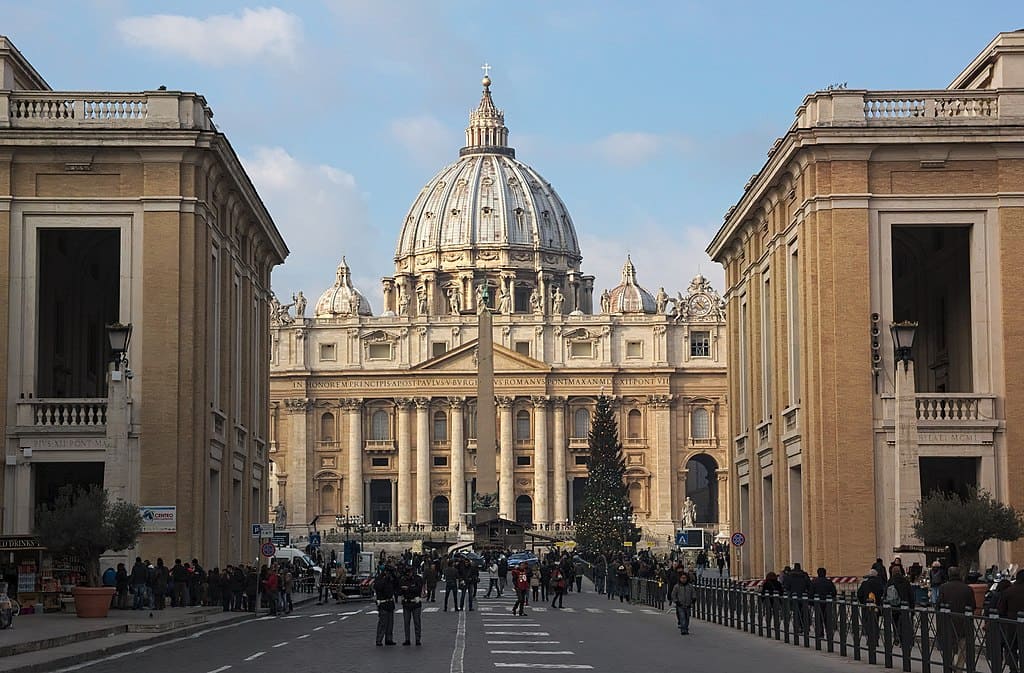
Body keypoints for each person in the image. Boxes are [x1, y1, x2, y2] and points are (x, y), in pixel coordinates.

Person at [936, 567, 975, 670]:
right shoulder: (967, 588)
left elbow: (939, 605)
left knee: (949, 646)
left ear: (949, 575)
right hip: (963, 622)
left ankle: (949, 666)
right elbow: (973, 606)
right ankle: (959, 668)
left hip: (948, 622)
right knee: (963, 648)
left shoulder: (943, 588)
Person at [885, 566, 914, 646]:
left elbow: (885, 594)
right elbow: (911, 594)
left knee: (895, 622)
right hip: (905, 605)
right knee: (905, 622)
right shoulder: (905, 581)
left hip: (894, 605)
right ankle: (905, 639)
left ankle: (896, 637)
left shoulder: (890, 581)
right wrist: (912, 607)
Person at [856, 569, 886, 646]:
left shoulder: (865, 583)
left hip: (866, 606)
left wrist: (863, 602)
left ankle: (870, 639)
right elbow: (883, 593)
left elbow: (859, 594)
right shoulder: (879, 584)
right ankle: (876, 638)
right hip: (877, 605)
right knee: (875, 622)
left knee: (868, 622)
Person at [398, 565, 424, 646]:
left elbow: (418, 589)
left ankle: (417, 639)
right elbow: (399, 591)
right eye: (407, 572)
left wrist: (408, 588)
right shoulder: (403, 579)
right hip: (406, 603)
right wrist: (402, 589)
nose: (408, 574)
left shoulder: (417, 579)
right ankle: (407, 639)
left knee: (417, 622)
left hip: (415, 603)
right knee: (406, 622)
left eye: (409, 572)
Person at [373, 566, 397, 646]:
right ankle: (379, 640)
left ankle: (389, 639)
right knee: (382, 623)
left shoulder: (391, 579)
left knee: (390, 623)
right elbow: (377, 587)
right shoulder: (379, 578)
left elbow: (397, 585)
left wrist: (394, 576)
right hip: (383, 603)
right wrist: (385, 579)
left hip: (390, 603)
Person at [810, 567, 837, 638]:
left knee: (818, 618)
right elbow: (834, 592)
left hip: (817, 603)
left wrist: (812, 603)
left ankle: (820, 633)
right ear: (825, 573)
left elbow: (811, 593)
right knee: (827, 618)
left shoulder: (814, 582)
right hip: (827, 603)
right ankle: (829, 634)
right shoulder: (829, 582)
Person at [671, 571, 696, 635]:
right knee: (682, 617)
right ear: (680, 578)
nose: (683, 579)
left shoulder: (690, 586)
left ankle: (686, 628)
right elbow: (673, 595)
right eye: (682, 578)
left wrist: (693, 600)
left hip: (688, 604)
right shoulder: (677, 586)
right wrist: (676, 601)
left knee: (687, 617)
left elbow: (693, 593)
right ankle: (683, 629)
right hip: (680, 605)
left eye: (685, 578)